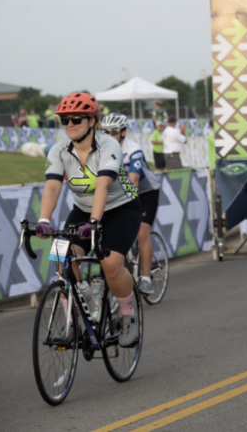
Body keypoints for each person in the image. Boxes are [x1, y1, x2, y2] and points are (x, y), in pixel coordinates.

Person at [37, 93, 142, 347]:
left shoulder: (109, 145)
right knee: (61, 255)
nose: (70, 124)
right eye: (65, 120)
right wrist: (43, 219)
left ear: (93, 120)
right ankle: (78, 312)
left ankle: (129, 314)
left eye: (76, 119)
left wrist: (95, 223)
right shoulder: (59, 150)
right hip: (83, 210)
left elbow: (103, 186)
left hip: (121, 208)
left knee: (110, 264)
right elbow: (52, 187)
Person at [102, 113, 162, 294]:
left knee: (142, 233)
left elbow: (133, 180)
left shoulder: (133, 149)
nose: (108, 136)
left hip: (145, 192)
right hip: (120, 194)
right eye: (104, 132)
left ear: (123, 132)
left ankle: (145, 279)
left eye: (113, 132)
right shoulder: (100, 150)